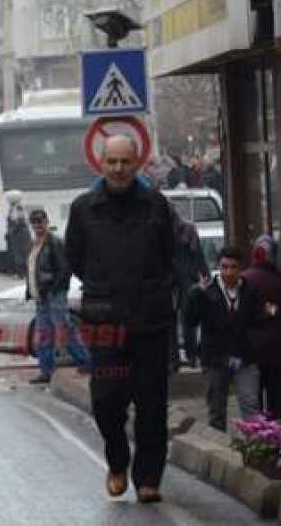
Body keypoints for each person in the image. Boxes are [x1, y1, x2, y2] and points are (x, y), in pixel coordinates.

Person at [65, 135, 176, 504]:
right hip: (105, 325)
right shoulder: (84, 209)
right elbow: (75, 259)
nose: (117, 168)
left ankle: (148, 478)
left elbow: (167, 256)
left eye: (124, 161)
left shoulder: (156, 206)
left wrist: (147, 289)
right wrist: (103, 287)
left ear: (136, 163)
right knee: (106, 402)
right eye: (111, 161)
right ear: (101, 163)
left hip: (149, 323)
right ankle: (117, 461)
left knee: (151, 405)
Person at [183, 246, 262, 431]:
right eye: (224, 267)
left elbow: (259, 320)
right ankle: (220, 450)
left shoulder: (251, 291)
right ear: (218, 267)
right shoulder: (206, 291)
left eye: (233, 267)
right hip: (215, 358)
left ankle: (257, 450)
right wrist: (195, 294)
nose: (228, 272)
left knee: (250, 404)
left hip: (244, 357)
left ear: (241, 268)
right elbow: (190, 321)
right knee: (216, 409)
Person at [241, 235, 281, 421]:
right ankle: (276, 438)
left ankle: (258, 441)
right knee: (277, 404)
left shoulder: (244, 281)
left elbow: (238, 318)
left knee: (253, 403)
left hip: (251, 351)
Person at [25, 208, 90, 384]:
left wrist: (54, 289)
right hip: (41, 298)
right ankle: (46, 371)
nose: (38, 225)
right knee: (44, 336)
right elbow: (32, 270)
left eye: (40, 221)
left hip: (54, 296)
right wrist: (30, 291)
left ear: (46, 222)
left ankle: (86, 362)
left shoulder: (55, 243)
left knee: (65, 331)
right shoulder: (34, 245)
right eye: (34, 222)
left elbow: (65, 269)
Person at [172, 213, 210, 369]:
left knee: (172, 320)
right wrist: (205, 275)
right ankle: (191, 355)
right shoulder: (189, 229)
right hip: (187, 280)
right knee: (188, 320)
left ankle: (174, 358)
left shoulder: (162, 230)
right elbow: (198, 255)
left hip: (172, 281)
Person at [4, 190, 31, 278]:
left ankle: (22, 274)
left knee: (20, 253)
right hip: (21, 233)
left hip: (19, 234)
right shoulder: (17, 208)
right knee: (22, 253)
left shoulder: (17, 208)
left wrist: (13, 230)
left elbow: (18, 220)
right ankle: (23, 273)